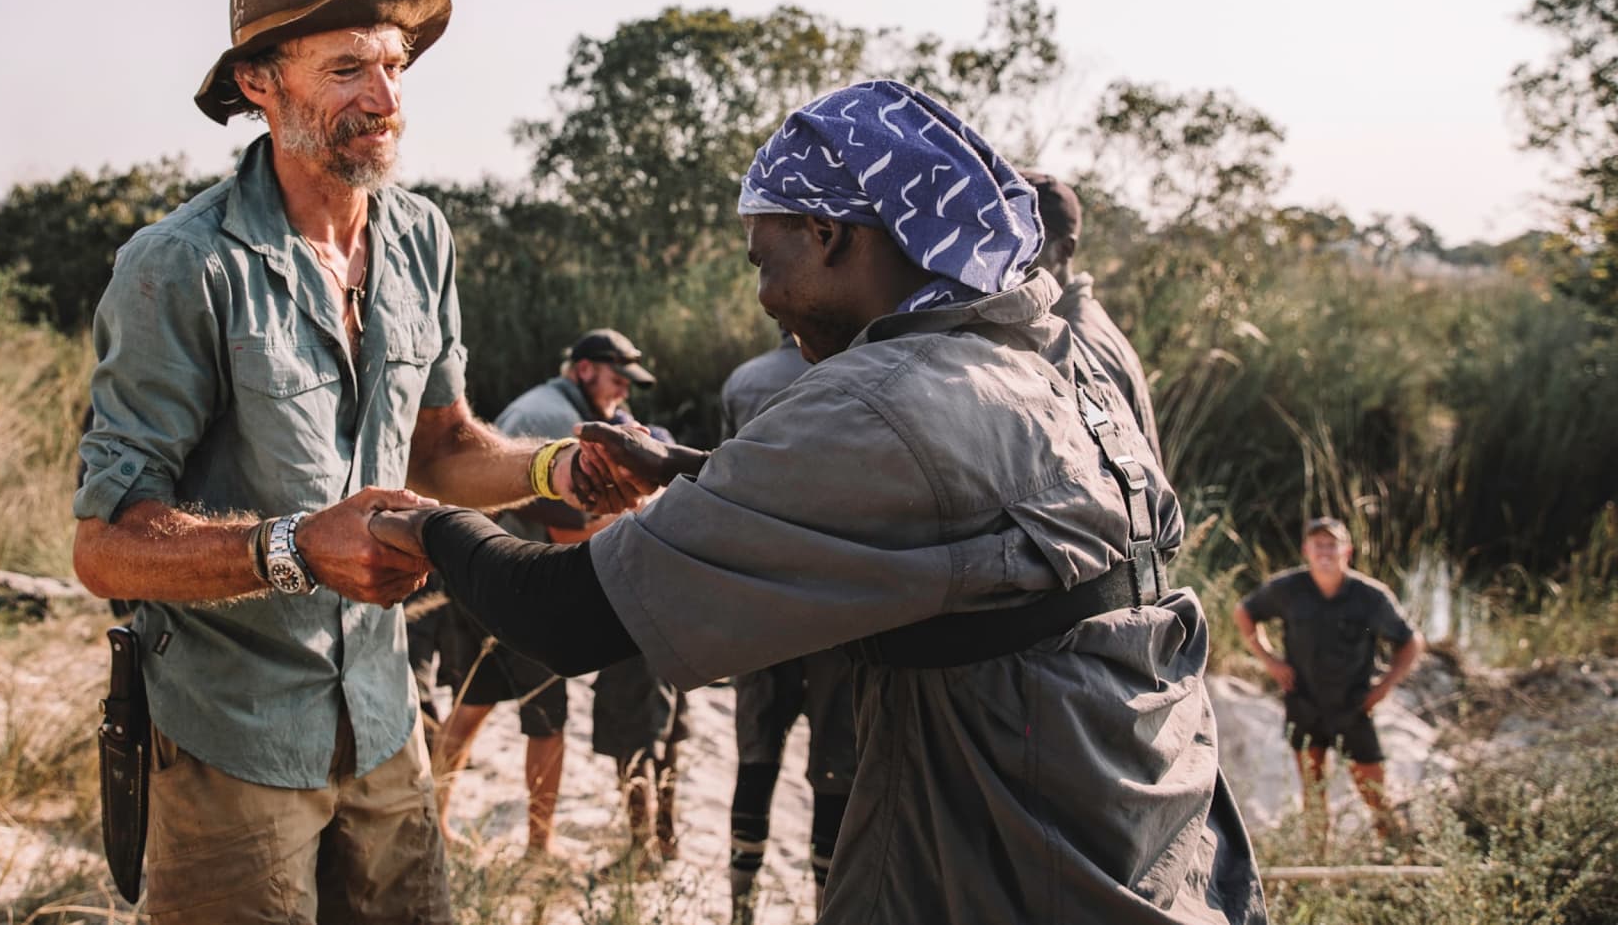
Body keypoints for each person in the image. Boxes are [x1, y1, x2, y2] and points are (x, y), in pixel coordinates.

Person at [371, 80, 1267, 923]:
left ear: (831, 233)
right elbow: (950, 515)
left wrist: (422, 521)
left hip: (999, 871)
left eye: (766, 257)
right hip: (1160, 854)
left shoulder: (876, 396)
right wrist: (698, 471)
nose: (766, 299)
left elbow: (565, 618)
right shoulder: (1049, 361)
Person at [70, 0, 626, 924]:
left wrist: (562, 465)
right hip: (230, 737)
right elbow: (107, 545)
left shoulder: (420, 237)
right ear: (259, 83)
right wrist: (293, 549)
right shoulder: (178, 267)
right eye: (345, 68)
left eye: (393, 65)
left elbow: (444, 450)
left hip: (383, 719)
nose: (385, 98)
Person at [429, 329, 657, 858]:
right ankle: (538, 849)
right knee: (548, 718)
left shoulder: (545, 403)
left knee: (472, 705)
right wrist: (641, 522)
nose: (622, 394)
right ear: (583, 370)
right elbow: (566, 531)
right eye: (616, 381)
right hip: (515, 586)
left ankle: (432, 823)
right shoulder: (556, 419)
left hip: (471, 570)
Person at [718, 332, 855, 923]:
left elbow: (721, 483)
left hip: (757, 606)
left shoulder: (742, 381)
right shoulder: (854, 379)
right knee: (833, 767)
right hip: (834, 611)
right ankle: (825, 906)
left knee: (757, 755)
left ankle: (740, 909)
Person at [1234, 516, 1425, 857]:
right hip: (1305, 705)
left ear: (1347, 551)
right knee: (1314, 790)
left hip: (1353, 707)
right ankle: (1319, 864)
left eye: (1332, 544)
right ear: (1306, 549)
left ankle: (1398, 857)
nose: (1325, 551)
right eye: (1318, 544)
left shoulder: (1370, 596)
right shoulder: (1288, 589)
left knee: (1374, 793)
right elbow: (1244, 613)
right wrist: (1270, 660)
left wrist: (1383, 688)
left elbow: (1410, 642)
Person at [1025, 171, 1162, 459]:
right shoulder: (1059, 323)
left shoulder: (1076, 342)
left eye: (1027, 241)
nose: (1007, 256)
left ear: (1064, 250)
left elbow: (1096, 475)